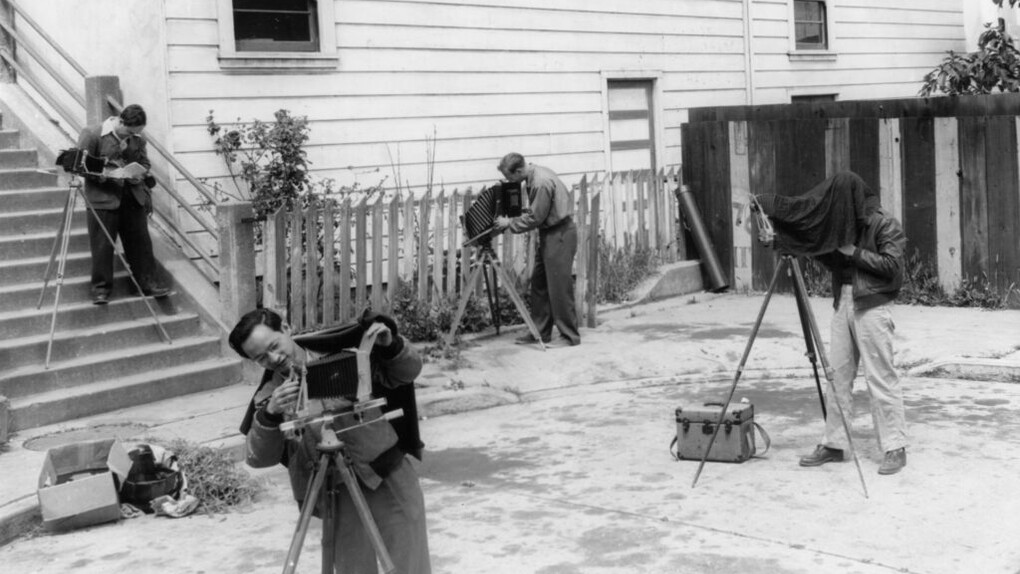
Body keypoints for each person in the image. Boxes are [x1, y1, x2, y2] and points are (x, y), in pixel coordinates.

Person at [229, 308, 431, 574]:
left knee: (410, 563)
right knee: (353, 568)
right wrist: (270, 414)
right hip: (336, 491)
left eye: (274, 346)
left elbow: (406, 372)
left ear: (287, 328)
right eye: (261, 358)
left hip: (388, 476)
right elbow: (258, 458)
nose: (275, 358)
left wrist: (390, 345)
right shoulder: (270, 397)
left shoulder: (343, 355)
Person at [788, 181, 909, 475]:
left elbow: (894, 268)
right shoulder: (844, 225)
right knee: (838, 376)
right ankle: (834, 443)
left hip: (873, 305)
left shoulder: (884, 223)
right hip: (843, 302)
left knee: (880, 377)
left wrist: (853, 252)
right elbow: (833, 259)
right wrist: (799, 244)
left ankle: (895, 447)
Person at [76, 104, 168, 304]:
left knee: (141, 243)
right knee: (102, 246)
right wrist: (107, 174)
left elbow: (144, 164)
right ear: (120, 121)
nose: (131, 137)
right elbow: (79, 165)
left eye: (136, 133)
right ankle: (101, 290)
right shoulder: (93, 134)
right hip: (103, 198)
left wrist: (137, 172)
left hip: (132, 197)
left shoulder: (137, 138)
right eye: (128, 132)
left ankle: (148, 283)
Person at [493, 152, 580, 348]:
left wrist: (509, 223)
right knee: (539, 285)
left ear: (519, 170)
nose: (510, 181)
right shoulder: (534, 174)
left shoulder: (540, 182)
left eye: (510, 177)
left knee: (559, 288)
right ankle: (539, 332)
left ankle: (569, 336)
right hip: (550, 234)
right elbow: (538, 211)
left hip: (560, 234)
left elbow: (535, 217)